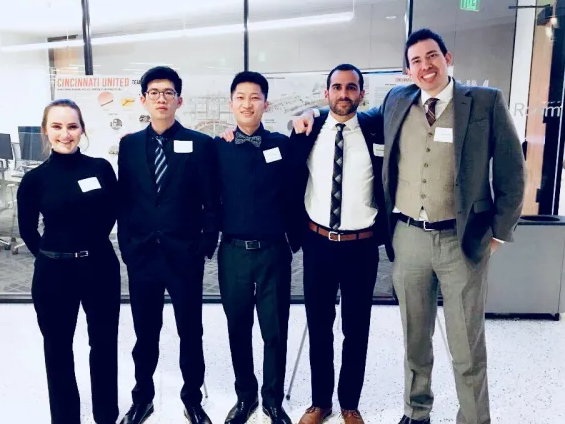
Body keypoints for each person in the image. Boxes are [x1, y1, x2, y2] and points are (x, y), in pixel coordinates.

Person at [294, 29, 526, 424]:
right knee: (415, 337)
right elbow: (347, 114)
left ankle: (473, 419)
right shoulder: (398, 101)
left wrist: (500, 231)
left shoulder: (484, 102)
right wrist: (314, 113)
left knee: (466, 344)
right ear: (408, 70)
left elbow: (511, 172)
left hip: (460, 239)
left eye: (431, 56)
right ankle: (417, 412)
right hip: (408, 239)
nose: (425, 66)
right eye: (416, 60)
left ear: (447, 58)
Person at [117, 66, 220, 424]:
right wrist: (128, 246)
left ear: (179, 99)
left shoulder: (200, 144)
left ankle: (192, 398)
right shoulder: (128, 145)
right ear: (144, 99)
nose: (162, 99)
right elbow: (126, 200)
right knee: (145, 333)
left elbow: (211, 200)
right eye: (155, 92)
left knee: (191, 331)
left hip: (184, 255)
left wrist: (205, 245)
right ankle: (141, 397)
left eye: (168, 92)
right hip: (143, 256)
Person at [290, 64, 388, 424]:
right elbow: (290, 180)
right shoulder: (307, 130)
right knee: (318, 325)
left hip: (361, 248)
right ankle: (320, 402)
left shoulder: (377, 130)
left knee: (356, 328)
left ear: (361, 93)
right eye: (337, 87)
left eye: (351, 87)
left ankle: (349, 402)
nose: (343, 93)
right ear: (326, 92)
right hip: (318, 245)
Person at [17, 99, 120, 424]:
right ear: (46, 132)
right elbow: (28, 230)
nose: (65, 134)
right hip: (53, 275)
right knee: (58, 351)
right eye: (57, 127)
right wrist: (54, 256)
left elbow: (111, 214)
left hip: (100, 269)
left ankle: (106, 416)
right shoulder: (34, 180)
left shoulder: (100, 168)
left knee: (103, 347)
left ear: (82, 130)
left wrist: (86, 249)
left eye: (72, 126)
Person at [215, 71, 297, 424]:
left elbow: (297, 189)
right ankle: (245, 396)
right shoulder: (216, 147)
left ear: (266, 103)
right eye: (240, 97)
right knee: (237, 327)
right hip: (232, 251)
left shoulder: (282, 144)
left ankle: (273, 400)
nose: (247, 104)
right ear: (231, 103)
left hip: (273, 252)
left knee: (274, 329)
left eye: (255, 97)